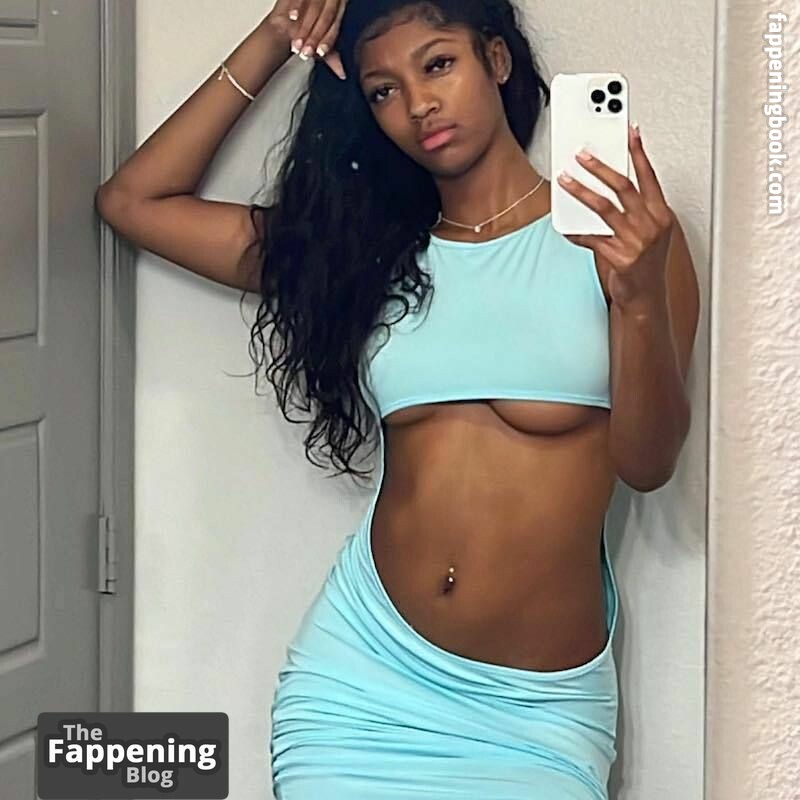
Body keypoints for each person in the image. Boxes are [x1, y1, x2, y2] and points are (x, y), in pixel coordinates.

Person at [95, 0, 700, 797]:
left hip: (535, 716)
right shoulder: (366, 255)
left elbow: (649, 464)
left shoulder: (625, 243)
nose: (417, 105)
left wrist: (641, 299)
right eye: (383, 90)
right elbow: (134, 202)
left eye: (438, 64)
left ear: (497, 61)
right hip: (360, 686)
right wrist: (280, 34)